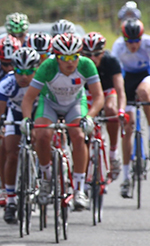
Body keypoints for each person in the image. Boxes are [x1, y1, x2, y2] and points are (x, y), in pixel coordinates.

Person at [20, 33, 104, 211]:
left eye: (74, 57)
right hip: (49, 103)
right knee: (41, 135)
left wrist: (89, 116)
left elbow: (98, 97)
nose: (70, 62)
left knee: (78, 135)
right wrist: (27, 120)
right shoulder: (47, 67)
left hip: (75, 103)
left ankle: (79, 189)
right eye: (64, 57)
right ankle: (46, 179)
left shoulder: (86, 65)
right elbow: (28, 99)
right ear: (56, 57)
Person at [111, 19, 150, 197]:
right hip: (126, 80)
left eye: (137, 41)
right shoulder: (118, 46)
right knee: (128, 127)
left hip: (146, 76)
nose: (133, 45)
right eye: (130, 41)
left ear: (141, 38)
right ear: (124, 39)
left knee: (143, 93)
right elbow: (116, 76)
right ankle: (126, 178)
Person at [0, 47, 40, 223]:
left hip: (37, 113)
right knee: (11, 154)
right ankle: (11, 200)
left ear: (36, 70)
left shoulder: (42, 82)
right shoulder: (6, 83)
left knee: (42, 141)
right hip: (14, 115)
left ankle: (42, 180)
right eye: (20, 71)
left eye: (29, 72)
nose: (24, 77)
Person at [82, 32, 126, 181]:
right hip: (88, 93)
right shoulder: (80, 63)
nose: (92, 58)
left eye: (96, 54)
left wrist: (121, 110)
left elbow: (120, 90)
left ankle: (113, 152)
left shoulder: (111, 61)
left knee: (111, 110)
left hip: (108, 91)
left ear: (103, 52)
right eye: (88, 54)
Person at [0, 34, 22, 207]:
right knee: (5, 146)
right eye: (5, 64)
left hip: (19, 104)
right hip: (1, 104)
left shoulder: (27, 66)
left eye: (12, 63)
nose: (9, 67)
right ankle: (5, 188)